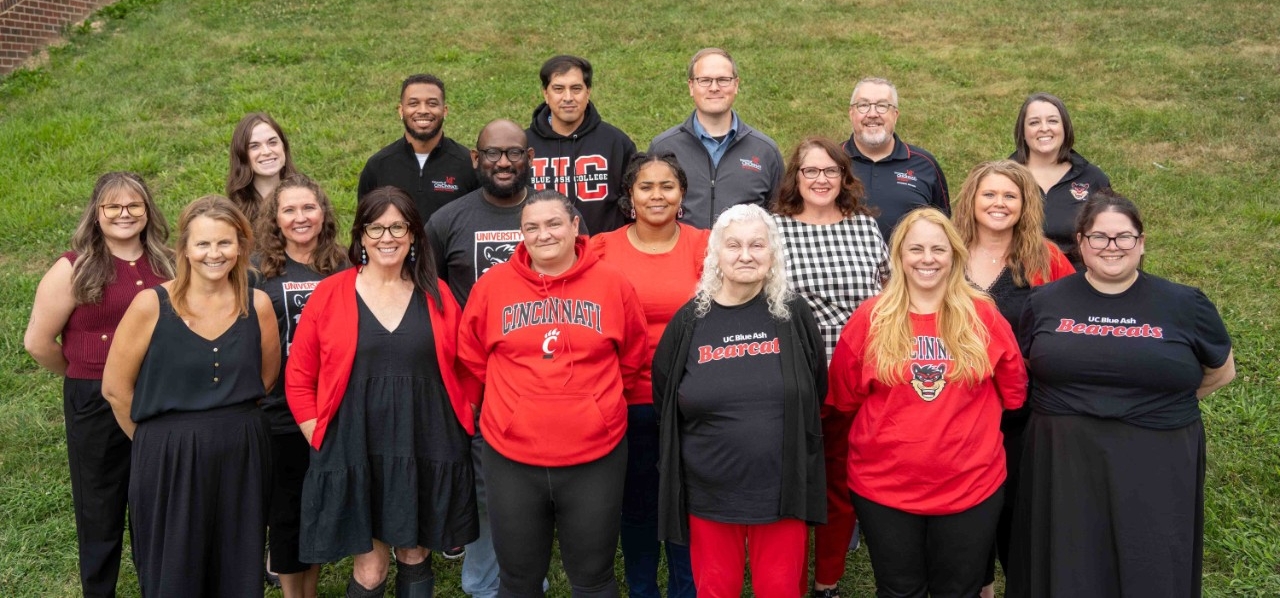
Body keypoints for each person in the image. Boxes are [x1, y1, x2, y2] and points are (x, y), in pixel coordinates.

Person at [1007, 191, 1235, 597]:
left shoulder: (1185, 304)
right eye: (1099, 237)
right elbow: (1029, 367)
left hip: (1157, 457)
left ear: (1141, 242)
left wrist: (1151, 407)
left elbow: (1222, 371)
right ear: (1080, 243)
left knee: (1152, 557)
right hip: (1063, 459)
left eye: (1123, 237)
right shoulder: (1045, 301)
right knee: (1066, 559)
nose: (1111, 247)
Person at [285, 187, 479, 598]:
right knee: (370, 568)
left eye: (398, 227)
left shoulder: (438, 293)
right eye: (376, 227)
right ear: (361, 235)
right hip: (357, 446)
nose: (386, 237)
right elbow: (300, 374)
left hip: (427, 442)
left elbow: (468, 367)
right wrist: (315, 430)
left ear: (413, 236)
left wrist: (464, 418)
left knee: (415, 553)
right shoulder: (330, 293)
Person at [827, 208, 1027, 598]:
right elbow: (845, 398)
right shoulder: (869, 320)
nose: (927, 258)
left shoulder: (983, 316)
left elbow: (1014, 392)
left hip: (971, 487)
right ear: (899, 256)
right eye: (915, 248)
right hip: (884, 489)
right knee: (900, 590)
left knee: (959, 591)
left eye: (938, 248)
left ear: (954, 255)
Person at [458, 190, 648, 597]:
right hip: (512, 459)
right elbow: (473, 359)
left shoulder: (612, 283)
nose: (543, 234)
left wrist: (594, 407)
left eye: (553, 223)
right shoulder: (493, 286)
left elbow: (631, 359)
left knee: (594, 578)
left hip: (594, 457)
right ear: (521, 233)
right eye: (532, 227)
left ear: (575, 226)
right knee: (518, 580)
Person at [426, 119, 582, 598]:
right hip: (476, 381)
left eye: (514, 153)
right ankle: (483, 584)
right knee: (487, 492)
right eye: (492, 154)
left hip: (549, 380)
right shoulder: (447, 221)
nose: (503, 163)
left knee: (538, 490)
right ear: (476, 160)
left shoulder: (555, 218)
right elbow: (428, 297)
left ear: (530, 159)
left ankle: (527, 574)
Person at [101, 196, 280, 597]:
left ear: (240, 246)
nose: (214, 254)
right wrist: (157, 445)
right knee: (175, 569)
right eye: (203, 244)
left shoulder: (259, 305)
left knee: (237, 564)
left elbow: (265, 378)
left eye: (224, 243)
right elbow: (115, 388)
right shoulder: (151, 305)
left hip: (241, 455)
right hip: (168, 457)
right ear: (183, 249)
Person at [652, 203, 827, 598]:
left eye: (756, 245)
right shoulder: (689, 321)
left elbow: (816, 388)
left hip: (782, 489)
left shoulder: (793, 314)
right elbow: (666, 400)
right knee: (716, 590)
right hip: (709, 492)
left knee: (780, 590)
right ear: (716, 253)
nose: (745, 255)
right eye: (733, 245)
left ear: (772, 254)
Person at [23, 172, 175, 597]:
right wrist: (86, 375)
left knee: (156, 504)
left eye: (134, 205)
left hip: (159, 397)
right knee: (99, 507)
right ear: (97, 213)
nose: (125, 214)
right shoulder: (74, 267)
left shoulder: (167, 262)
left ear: (148, 211)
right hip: (94, 401)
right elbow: (37, 343)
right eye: (113, 206)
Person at [950, 160, 1074, 596]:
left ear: (1024, 205)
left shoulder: (1046, 257)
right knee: (968, 515)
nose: (998, 203)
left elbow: (1073, 321)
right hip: (955, 412)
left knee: (1021, 517)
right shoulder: (947, 253)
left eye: (1010, 196)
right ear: (971, 200)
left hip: (1025, 413)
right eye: (989, 194)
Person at [770, 136, 888, 598]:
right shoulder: (775, 229)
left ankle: (827, 584)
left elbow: (887, 297)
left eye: (829, 171)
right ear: (795, 179)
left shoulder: (864, 227)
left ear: (844, 178)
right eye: (810, 171)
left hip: (856, 379)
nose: (820, 180)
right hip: (794, 380)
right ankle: (789, 583)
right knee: (795, 490)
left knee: (841, 487)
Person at [589, 152, 708, 598]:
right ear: (629, 197)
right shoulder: (602, 249)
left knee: (685, 504)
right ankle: (641, 588)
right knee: (637, 506)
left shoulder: (704, 246)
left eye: (667, 187)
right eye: (646, 187)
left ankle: (686, 589)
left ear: (681, 195)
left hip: (690, 400)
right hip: (626, 398)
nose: (656, 196)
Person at [251, 174, 349, 598]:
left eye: (308, 207)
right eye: (288, 210)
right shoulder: (257, 270)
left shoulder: (344, 263)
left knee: (321, 510)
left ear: (323, 212)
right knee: (287, 512)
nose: (300, 217)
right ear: (275, 219)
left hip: (335, 407)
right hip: (279, 412)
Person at [650, 47, 783, 229]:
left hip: (742, 256)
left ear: (736, 85)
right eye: (704, 80)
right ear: (691, 86)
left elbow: (779, 219)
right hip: (682, 256)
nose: (714, 88)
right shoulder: (663, 148)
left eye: (723, 80)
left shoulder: (765, 151)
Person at [527, 55, 637, 234]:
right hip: (543, 253)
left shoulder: (616, 143)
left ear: (588, 92)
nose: (568, 97)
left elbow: (635, 204)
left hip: (603, 254)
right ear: (546, 94)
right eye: (558, 89)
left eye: (576, 88)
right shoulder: (524, 145)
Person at [358, 73, 479, 222]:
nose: (423, 110)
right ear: (401, 111)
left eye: (432, 104)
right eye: (413, 103)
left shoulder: (468, 164)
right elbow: (364, 227)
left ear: (445, 110)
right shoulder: (378, 166)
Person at [1011, 92, 1112, 269]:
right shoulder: (1003, 177)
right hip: (1016, 278)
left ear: (1065, 128)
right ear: (1023, 132)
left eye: (1052, 121)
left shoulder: (1093, 178)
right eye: (1034, 122)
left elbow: (1111, 233)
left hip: (1078, 280)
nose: (1044, 128)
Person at [842, 77, 949, 241]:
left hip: (907, 266)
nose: (872, 114)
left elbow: (944, 228)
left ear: (895, 114)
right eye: (863, 105)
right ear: (851, 113)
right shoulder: (831, 161)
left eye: (882, 106)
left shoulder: (925, 165)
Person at [227, 112, 301, 224]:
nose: (266, 152)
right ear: (242, 155)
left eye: (272, 142)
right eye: (254, 146)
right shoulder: (233, 214)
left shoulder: (308, 198)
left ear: (283, 147)